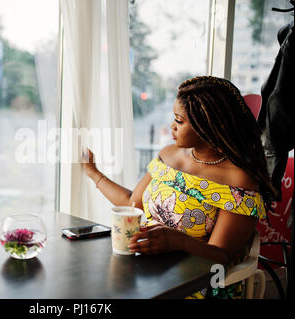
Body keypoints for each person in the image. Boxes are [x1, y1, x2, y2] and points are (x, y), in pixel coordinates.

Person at [82, 76, 277, 299]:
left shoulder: (239, 180)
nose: (172, 126)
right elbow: (131, 204)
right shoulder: (169, 155)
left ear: (211, 125)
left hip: (195, 285)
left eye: (179, 120)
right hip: (144, 272)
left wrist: (178, 241)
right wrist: (92, 172)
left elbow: (222, 256)